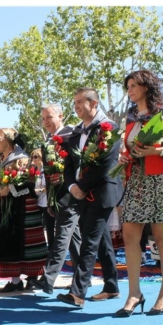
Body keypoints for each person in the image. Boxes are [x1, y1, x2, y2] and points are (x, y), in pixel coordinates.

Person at [115, 70, 163, 316]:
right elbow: (129, 145)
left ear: (147, 87)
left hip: (160, 181)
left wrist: (156, 151)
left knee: (162, 238)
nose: (130, 89)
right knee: (129, 235)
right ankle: (134, 293)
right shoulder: (129, 117)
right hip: (136, 181)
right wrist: (125, 156)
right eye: (128, 86)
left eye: (135, 84)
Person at [54, 88, 122, 309]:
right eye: (74, 102)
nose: (76, 106)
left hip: (102, 193)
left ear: (94, 103)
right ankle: (111, 286)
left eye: (80, 101)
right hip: (80, 194)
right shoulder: (76, 132)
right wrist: (72, 186)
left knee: (89, 242)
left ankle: (77, 293)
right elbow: (68, 165)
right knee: (101, 241)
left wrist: (81, 186)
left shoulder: (109, 128)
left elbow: (105, 164)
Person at [29, 103, 81, 295]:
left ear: (61, 116)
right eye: (43, 119)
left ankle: (48, 279)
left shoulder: (72, 135)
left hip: (70, 194)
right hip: (56, 196)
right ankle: (82, 278)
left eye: (49, 117)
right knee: (74, 239)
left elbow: (78, 164)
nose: (46, 122)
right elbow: (49, 173)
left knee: (62, 236)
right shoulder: (47, 141)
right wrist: (50, 200)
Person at [0, 127, 48, 293]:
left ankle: (32, 277)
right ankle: (15, 280)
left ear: (8, 139)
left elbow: (30, 181)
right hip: (6, 205)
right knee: (9, 241)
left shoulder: (22, 159)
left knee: (28, 241)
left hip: (23, 204)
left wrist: (11, 187)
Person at [29, 148, 55, 251]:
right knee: (37, 226)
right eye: (32, 157)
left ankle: (51, 248)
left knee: (49, 227)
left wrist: (41, 190)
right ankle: (40, 247)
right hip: (37, 202)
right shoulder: (33, 171)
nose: (33, 159)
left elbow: (50, 186)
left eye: (36, 157)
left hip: (47, 202)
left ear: (41, 157)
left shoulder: (47, 170)